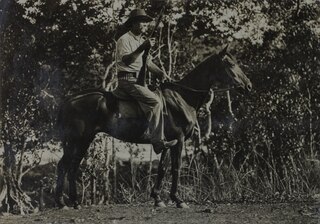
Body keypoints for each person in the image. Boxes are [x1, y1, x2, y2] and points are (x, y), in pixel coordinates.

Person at [114, 8, 177, 154]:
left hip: (138, 81)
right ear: (133, 24)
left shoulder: (141, 40)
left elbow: (147, 63)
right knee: (155, 102)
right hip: (127, 80)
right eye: (141, 22)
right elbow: (128, 61)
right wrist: (143, 47)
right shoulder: (124, 39)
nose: (145, 25)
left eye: (146, 23)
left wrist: (162, 73)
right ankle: (158, 142)